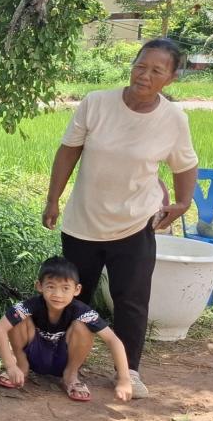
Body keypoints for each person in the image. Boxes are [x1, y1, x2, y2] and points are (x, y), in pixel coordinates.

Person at [43, 38, 198, 399]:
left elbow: (186, 164)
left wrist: (184, 202)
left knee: (131, 300)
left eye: (157, 71)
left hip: (135, 224)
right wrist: (53, 199)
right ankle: (69, 368)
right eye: (140, 66)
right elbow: (68, 152)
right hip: (83, 222)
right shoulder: (97, 103)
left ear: (171, 78)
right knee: (72, 299)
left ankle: (129, 370)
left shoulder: (173, 119)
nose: (144, 75)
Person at [0, 256, 133, 402]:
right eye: (51, 286)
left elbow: (113, 340)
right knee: (19, 319)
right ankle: (21, 367)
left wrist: (124, 380)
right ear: (39, 286)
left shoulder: (83, 312)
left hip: (64, 359)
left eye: (65, 288)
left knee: (82, 326)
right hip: (33, 356)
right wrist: (10, 366)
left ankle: (70, 376)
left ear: (77, 290)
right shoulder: (29, 306)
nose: (58, 294)